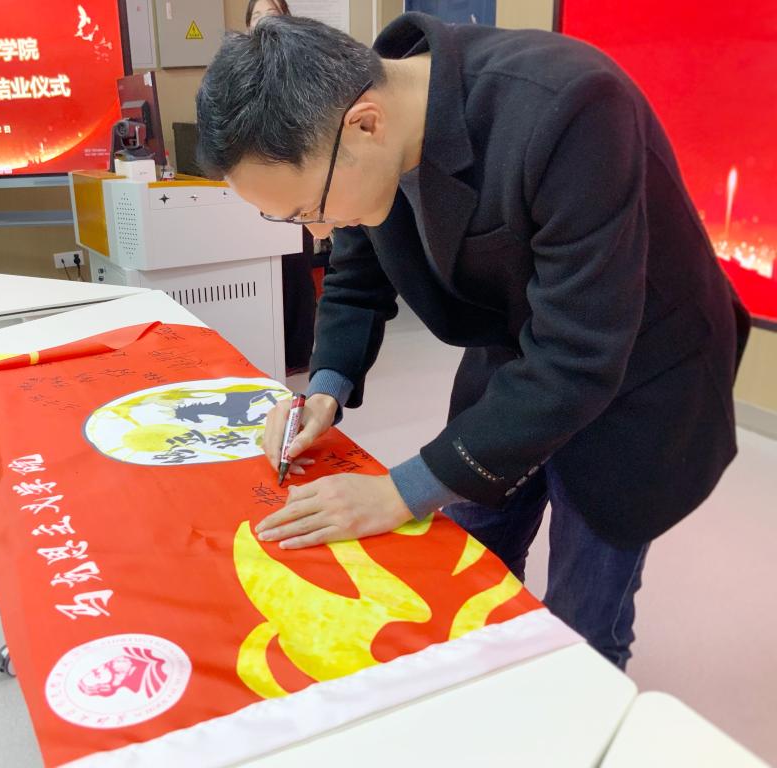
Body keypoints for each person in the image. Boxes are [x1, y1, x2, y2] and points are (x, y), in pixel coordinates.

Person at [194, 14, 750, 669]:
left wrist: (397, 491)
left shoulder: (570, 107)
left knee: (582, 617)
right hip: (520, 351)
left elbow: (577, 356)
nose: (316, 232)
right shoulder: (359, 124)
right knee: (469, 562)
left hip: (638, 370)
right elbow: (355, 271)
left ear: (366, 125)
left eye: (307, 210)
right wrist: (324, 389)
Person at [245, 0, 317, 374]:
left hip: (295, 181)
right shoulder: (241, 75)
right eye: (256, 17)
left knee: (293, 266)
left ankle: (298, 354)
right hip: (259, 184)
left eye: (271, 15)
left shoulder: (301, 69)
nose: (263, 23)